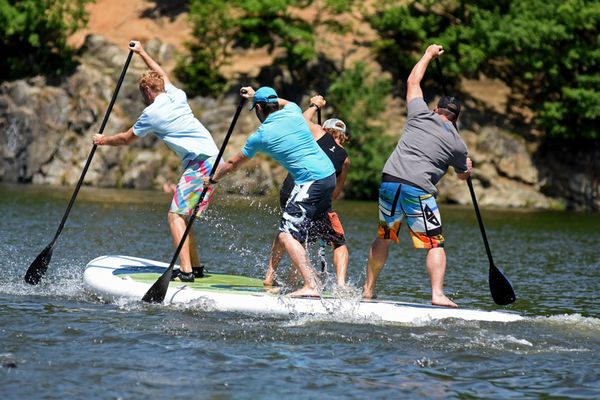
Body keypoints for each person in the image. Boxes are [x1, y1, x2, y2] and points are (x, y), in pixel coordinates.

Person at [93, 40, 220, 283]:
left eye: (143, 94)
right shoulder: (177, 95)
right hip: (216, 160)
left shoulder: (151, 113)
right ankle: (195, 266)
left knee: (174, 216)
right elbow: (163, 73)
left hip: (201, 164)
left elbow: (126, 139)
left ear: (147, 92)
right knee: (184, 216)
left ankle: (185, 271)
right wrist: (141, 52)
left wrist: (102, 140)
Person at [363, 44, 473, 308]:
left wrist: (428, 55)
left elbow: (413, 80)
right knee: (435, 243)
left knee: (384, 236)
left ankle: (368, 290)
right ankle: (437, 295)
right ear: (456, 119)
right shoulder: (458, 144)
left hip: (390, 180)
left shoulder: (419, 114)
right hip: (418, 189)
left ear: (437, 110)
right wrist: (468, 167)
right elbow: (462, 176)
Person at [206, 86, 336, 298]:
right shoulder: (293, 110)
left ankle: (310, 285)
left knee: (286, 234)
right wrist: (257, 93)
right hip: (328, 176)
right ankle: (298, 283)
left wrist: (213, 179)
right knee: (296, 232)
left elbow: (232, 163)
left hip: (310, 181)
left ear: (258, 108)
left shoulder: (261, 136)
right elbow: (282, 102)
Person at [264, 95, 350, 288]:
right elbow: (335, 194)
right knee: (338, 242)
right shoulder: (345, 159)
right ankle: (341, 285)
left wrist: (314, 105)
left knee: (289, 231)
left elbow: (301, 120)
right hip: (315, 196)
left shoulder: (316, 134)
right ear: (344, 136)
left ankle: (271, 275)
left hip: (289, 190)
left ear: (325, 130)